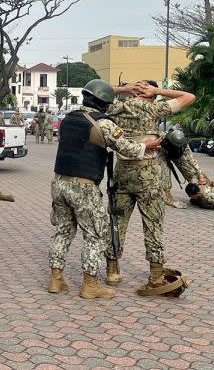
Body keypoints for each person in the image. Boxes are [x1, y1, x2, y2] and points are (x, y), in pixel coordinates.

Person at [47, 79, 162, 300]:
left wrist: (125, 88)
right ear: (105, 103)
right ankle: (90, 285)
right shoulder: (104, 123)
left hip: (59, 183)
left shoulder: (68, 119)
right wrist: (147, 145)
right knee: (95, 235)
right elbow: (127, 148)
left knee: (62, 231)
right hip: (84, 187)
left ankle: (56, 279)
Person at [104, 80, 195, 294]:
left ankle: (112, 270)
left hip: (122, 173)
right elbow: (189, 96)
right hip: (148, 175)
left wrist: (125, 89)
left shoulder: (117, 107)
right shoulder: (155, 108)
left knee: (117, 223)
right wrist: (157, 90)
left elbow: (97, 91)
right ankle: (155, 275)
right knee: (153, 225)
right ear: (150, 96)